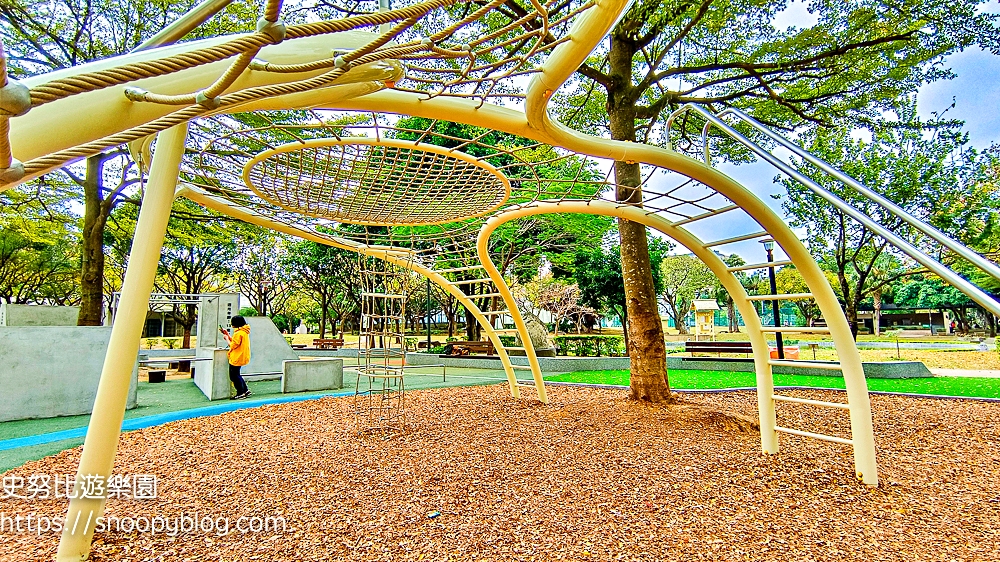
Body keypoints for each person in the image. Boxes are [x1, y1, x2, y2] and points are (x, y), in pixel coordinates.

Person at [220, 316, 252, 400]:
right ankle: (245, 390)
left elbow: (233, 345)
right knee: (237, 374)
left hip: (236, 357)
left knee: (234, 376)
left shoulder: (238, 333)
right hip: (242, 356)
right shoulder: (243, 332)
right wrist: (227, 335)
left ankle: (240, 392)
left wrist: (227, 339)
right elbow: (236, 342)